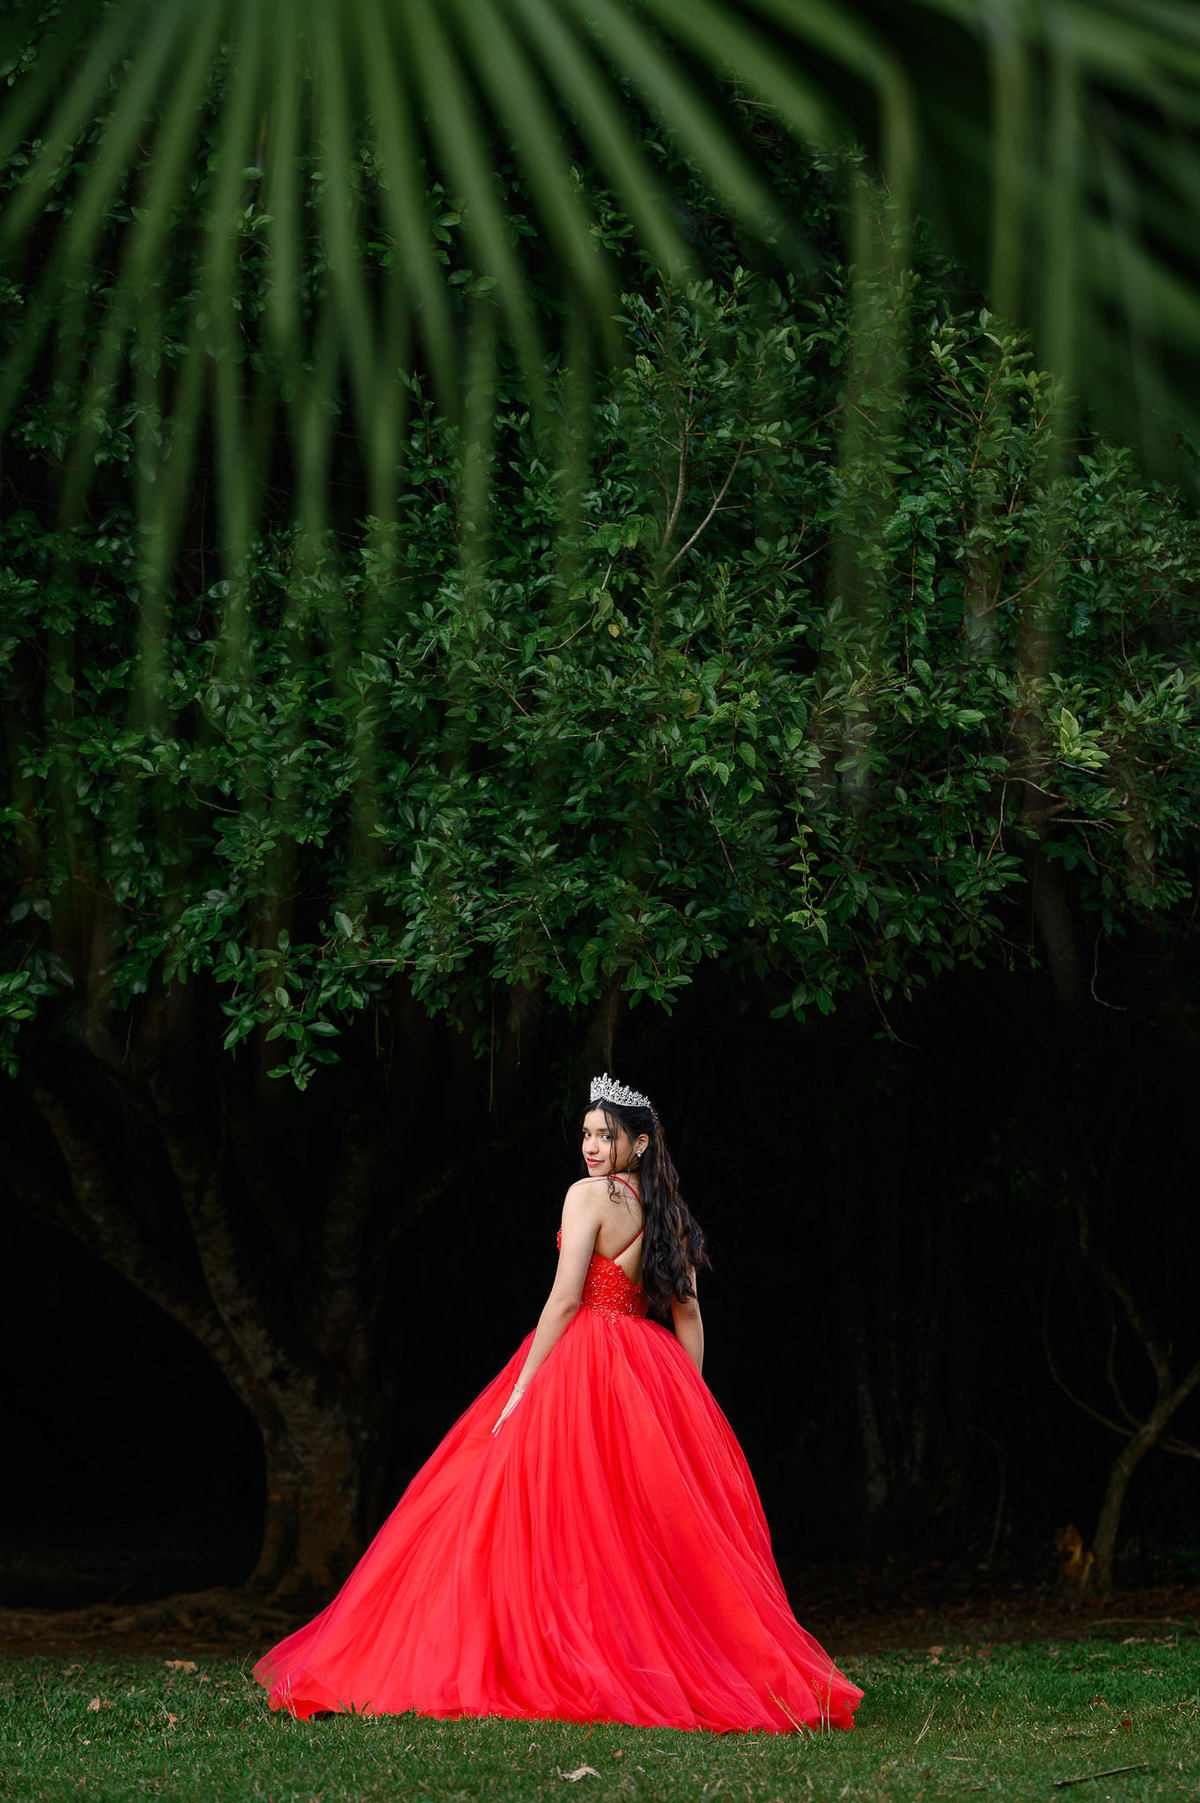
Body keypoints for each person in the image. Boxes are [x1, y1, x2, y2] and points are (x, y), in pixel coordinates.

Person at [253, 1074, 862, 1733]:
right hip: (645, 1372)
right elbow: (688, 1315)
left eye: (606, 1134)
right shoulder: (669, 1211)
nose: (592, 1146)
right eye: (587, 1134)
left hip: (581, 1364)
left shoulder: (587, 1197)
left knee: (525, 1509)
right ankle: (609, 1657)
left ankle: (540, 1656)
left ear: (641, 1142)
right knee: (624, 1530)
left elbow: (566, 1298)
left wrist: (520, 1387)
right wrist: (686, 1403)